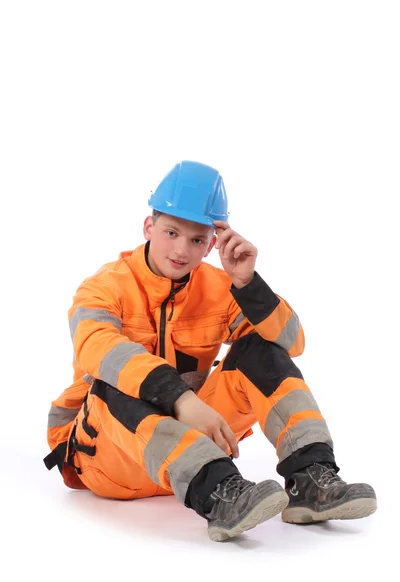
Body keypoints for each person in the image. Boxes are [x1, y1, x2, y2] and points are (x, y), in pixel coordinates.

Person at [44, 160, 377, 542]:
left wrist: (248, 284)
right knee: (114, 380)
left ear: (213, 243)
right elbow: (95, 347)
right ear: (148, 227)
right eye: (171, 232)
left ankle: (312, 482)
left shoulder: (219, 287)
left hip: (183, 451)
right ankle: (221, 494)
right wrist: (182, 399)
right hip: (110, 458)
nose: (182, 249)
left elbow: (290, 342)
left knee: (260, 350)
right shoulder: (104, 287)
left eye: (198, 239)